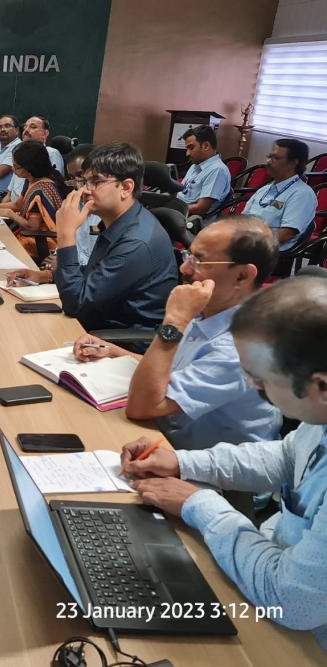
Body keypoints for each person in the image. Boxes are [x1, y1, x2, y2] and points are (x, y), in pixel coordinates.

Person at [121, 276, 327, 652]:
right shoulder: (320, 417)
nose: (251, 385)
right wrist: (182, 462)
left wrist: (197, 503)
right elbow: (287, 456)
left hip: (300, 636)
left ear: (321, 387)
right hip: (271, 576)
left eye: (261, 380)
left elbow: (292, 600)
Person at [74, 217, 281, 449]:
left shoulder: (239, 349)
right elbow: (175, 372)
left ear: (242, 276)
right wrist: (113, 352)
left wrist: (175, 321)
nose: (184, 268)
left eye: (200, 260)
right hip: (166, 439)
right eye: (188, 255)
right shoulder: (209, 308)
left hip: (202, 464)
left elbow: (142, 406)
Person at [8, 143, 177, 331]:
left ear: (126, 187)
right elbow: (97, 274)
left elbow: (75, 305)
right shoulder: (121, 222)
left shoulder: (136, 242)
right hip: (99, 318)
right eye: (83, 181)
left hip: (117, 339)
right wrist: (48, 276)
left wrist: (66, 234)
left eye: (96, 182)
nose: (85, 190)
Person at [0, 141, 66, 259]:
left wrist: (10, 214)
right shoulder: (30, 180)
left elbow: (32, 227)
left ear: (29, 168)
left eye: (17, 167)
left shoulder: (40, 191)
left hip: (43, 241)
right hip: (26, 233)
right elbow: (18, 205)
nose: (13, 169)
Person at [243, 138, 317, 251]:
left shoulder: (302, 194)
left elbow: (286, 233)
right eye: (269, 157)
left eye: (276, 158)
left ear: (293, 163)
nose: (269, 161)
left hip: (266, 252)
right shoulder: (264, 189)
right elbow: (243, 218)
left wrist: (252, 244)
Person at [176, 125, 232, 220]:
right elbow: (181, 192)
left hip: (191, 220)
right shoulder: (195, 165)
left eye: (191, 148)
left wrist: (173, 208)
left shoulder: (217, 170)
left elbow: (201, 209)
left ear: (206, 146)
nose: (187, 153)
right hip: (179, 211)